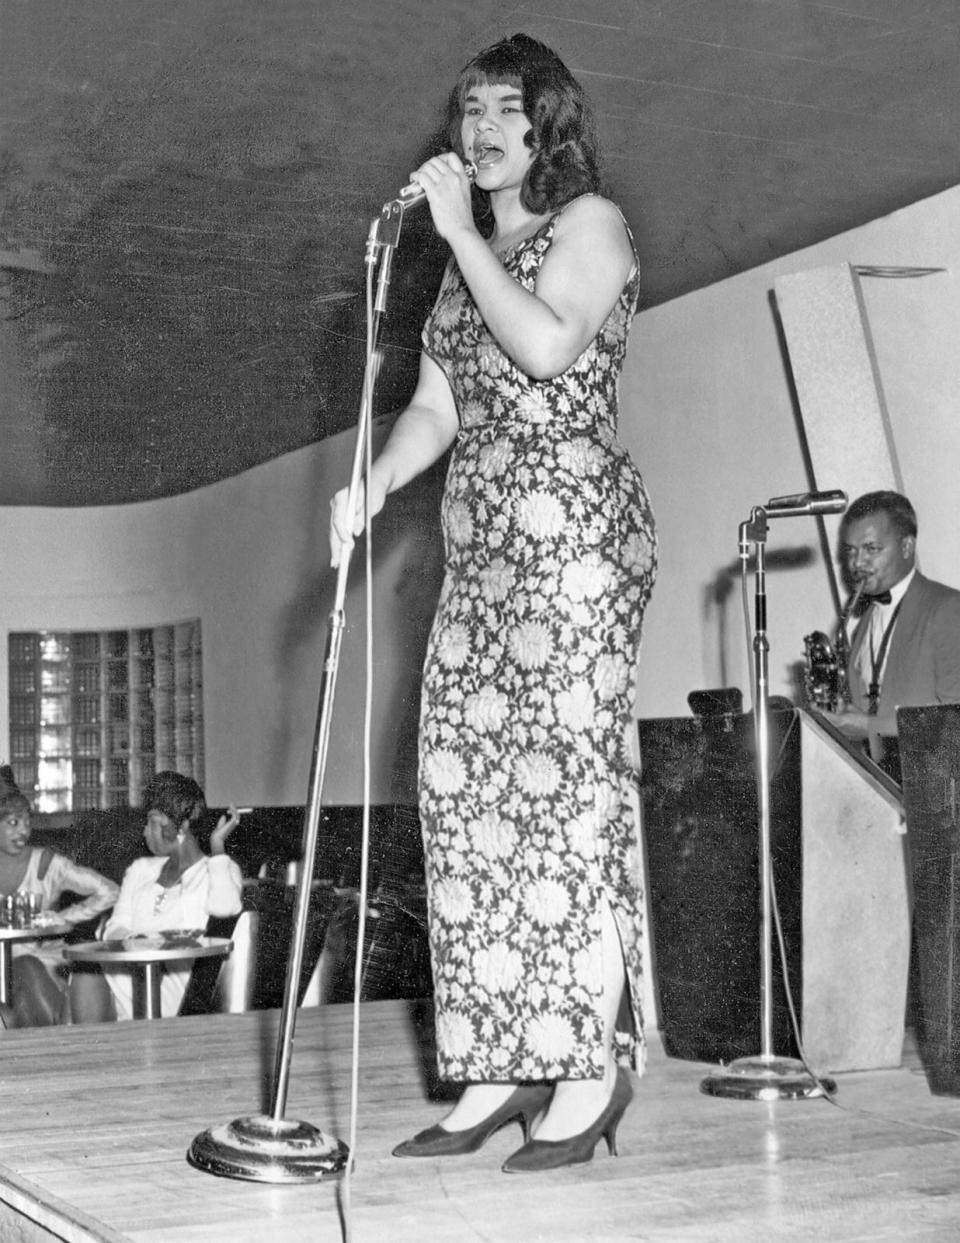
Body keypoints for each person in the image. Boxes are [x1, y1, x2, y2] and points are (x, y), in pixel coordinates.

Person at [330, 33, 657, 1173]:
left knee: (561, 800)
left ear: (549, 124)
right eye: (467, 109)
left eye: (505, 110)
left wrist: (462, 236)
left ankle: (584, 1070)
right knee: (462, 793)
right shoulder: (466, 258)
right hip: (480, 552)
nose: (478, 131)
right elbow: (438, 406)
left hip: (570, 539)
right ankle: (500, 1063)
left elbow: (553, 346)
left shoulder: (592, 226)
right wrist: (369, 486)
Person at [73, 771, 244, 1021]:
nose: (144, 831)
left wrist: (217, 846)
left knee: (77, 986)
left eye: (153, 822)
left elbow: (226, 907)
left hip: (175, 989)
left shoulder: (219, 870)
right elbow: (114, 927)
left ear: (181, 827)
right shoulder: (141, 869)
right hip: (125, 977)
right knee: (46, 971)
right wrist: (139, 943)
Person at [822, 490, 960, 781]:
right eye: (850, 551)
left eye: (871, 549)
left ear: (907, 546)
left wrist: (870, 726)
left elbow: (955, 723)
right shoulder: (865, 621)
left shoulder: (948, 609)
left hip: (938, 797)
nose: (857, 563)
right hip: (885, 790)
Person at [0, 765, 118, 1028]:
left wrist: (61, 917)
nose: (23, 832)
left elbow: (109, 891)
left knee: (25, 968)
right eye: (13, 823)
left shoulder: (47, 864)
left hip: (40, 963)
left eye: (27, 823)